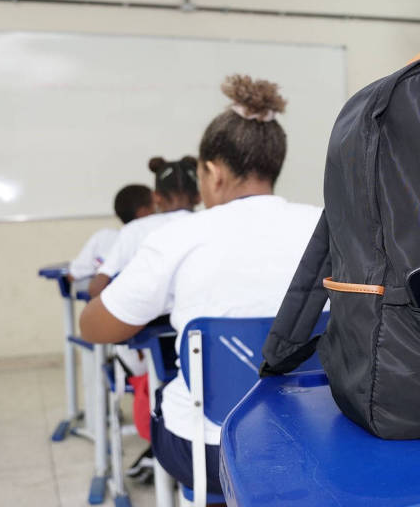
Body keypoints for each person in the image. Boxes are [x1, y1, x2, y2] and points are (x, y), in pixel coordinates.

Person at [80, 74, 322, 501]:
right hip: (316, 440)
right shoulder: (330, 226)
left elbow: (96, 328)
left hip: (210, 451)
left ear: (211, 172)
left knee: (167, 392)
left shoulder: (177, 237)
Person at [87, 156, 200, 298]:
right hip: (203, 319)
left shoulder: (135, 230)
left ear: (156, 197)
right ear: (198, 196)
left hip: (148, 318)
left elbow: (98, 287)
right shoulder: (214, 224)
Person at [67, 184, 153, 281]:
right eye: (156, 205)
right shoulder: (154, 240)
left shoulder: (103, 237)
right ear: (143, 212)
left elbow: (74, 274)